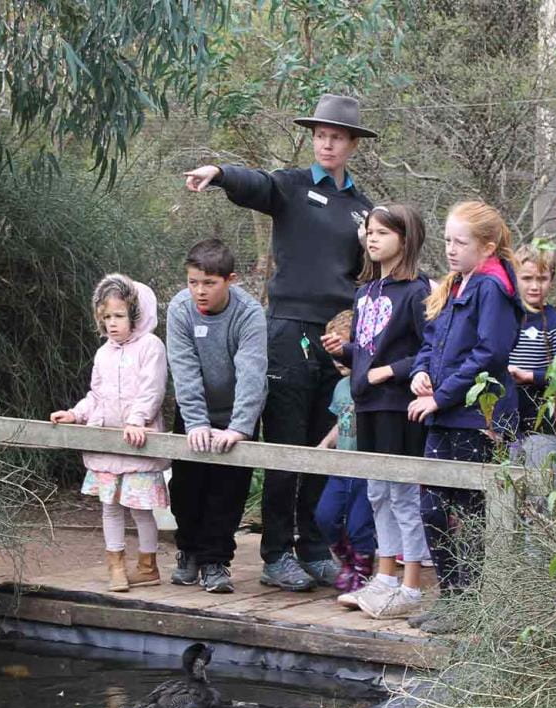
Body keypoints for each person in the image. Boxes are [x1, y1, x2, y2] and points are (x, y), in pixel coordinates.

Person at [183, 94, 377, 593]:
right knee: (285, 444)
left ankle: (313, 548)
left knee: (320, 446)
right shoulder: (292, 186)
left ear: (353, 144)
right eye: (320, 135)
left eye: (337, 136)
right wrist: (221, 173)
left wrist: (358, 329)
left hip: (337, 335)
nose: (327, 143)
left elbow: (375, 267)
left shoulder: (363, 210)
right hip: (288, 330)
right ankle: (275, 554)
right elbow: (259, 185)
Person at [406, 201, 524, 618]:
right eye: (447, 241)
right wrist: (420, 374)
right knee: (432, 506)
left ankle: (469, 601)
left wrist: (441, 396)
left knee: (468, 512)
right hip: (443, 413)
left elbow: (489, 353)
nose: (451, 249)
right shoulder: (456, 283)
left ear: (487, 246)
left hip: (477, 416)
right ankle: (451, 596)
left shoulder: (491, 287)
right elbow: (431, 339)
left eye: (461, 242)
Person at [321, 203, 433, 620]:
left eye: (383, 233)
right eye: (369, 231)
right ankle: (384, 579)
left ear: (405, 239)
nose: (372, 238)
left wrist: (392, 370)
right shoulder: (364, 292)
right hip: (367, 404)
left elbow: (430, 351)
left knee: (403, 494)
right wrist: (347, 350)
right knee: (376, 493)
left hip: (398, 408)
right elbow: (368, 350)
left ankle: (411, 585)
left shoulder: (418, 291)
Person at [50, 275, 171, 592]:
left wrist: (137, 420)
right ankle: (115, 565)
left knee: (140, 508)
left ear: (135, 313)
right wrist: (76, 413)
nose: (112, 323)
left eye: (119, 316)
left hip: (137, 441)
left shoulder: (151, 347)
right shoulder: (104, 353)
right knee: (110, 508)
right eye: (107, 317)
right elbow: (96, 395)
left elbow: (152, 389)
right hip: (107, 445)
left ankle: (147, 565)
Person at [165, 240, 268, 594]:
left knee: (227, 490)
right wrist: (195, 422)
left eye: (209, 283)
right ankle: (189, 552)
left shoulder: (249, 312)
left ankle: (215, 561)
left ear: (230, 280)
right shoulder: (180, 309)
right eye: (193, 282)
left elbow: (252, 371)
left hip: (235, 412)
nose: (199, 291)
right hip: (194, 409)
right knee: (186, 487)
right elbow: (184, 368)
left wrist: (239, 427)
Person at [313, 310, 376, 594]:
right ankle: (348, 561)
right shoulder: (340, 387)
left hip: (366, 469)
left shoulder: (373, 385)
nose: (337, 355)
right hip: (341, 468)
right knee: (325, 516)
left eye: (343, 346)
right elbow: (343, 421)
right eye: (332, 347)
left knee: (361, 524)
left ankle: (363, 569)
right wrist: (325, 443)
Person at [507, 244, 556, 474]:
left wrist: (530, 376)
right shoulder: (502, 318)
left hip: (543, 427)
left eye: (541, 278)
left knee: (541, 494)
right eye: (527, 278)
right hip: (504, 426)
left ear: (551, 280)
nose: (534, 286)